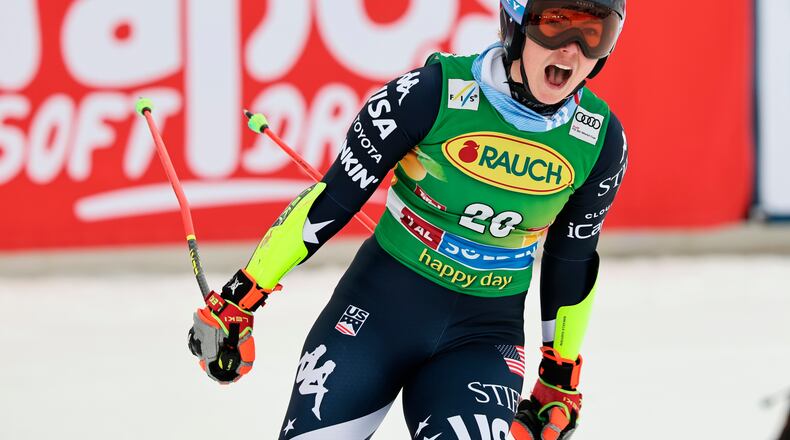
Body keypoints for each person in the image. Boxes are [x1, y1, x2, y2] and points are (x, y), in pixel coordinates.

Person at [187, 0, 628, 438]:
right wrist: (238, 299)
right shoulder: (428, 94)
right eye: (555, 24)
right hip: (374, 318)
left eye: (594, 33)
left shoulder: (600, 140)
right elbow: (333, 199)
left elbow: (572, 259)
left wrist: (559, 375)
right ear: (515, 24)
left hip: (482, 339)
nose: (572, 50)